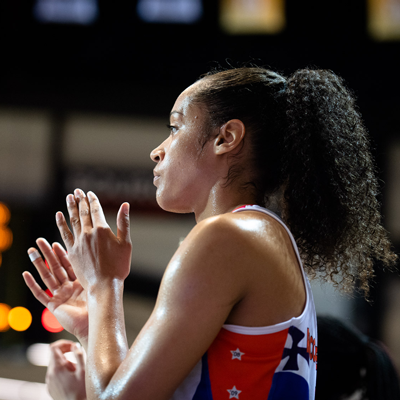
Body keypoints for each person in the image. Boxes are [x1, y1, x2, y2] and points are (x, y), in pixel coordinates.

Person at [22, 66, 397, 400]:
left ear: (226, 137)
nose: (158, 151)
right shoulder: (259, 236)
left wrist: (105, 283)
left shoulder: (229, 237)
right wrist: (92, 327)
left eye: (175, 127)